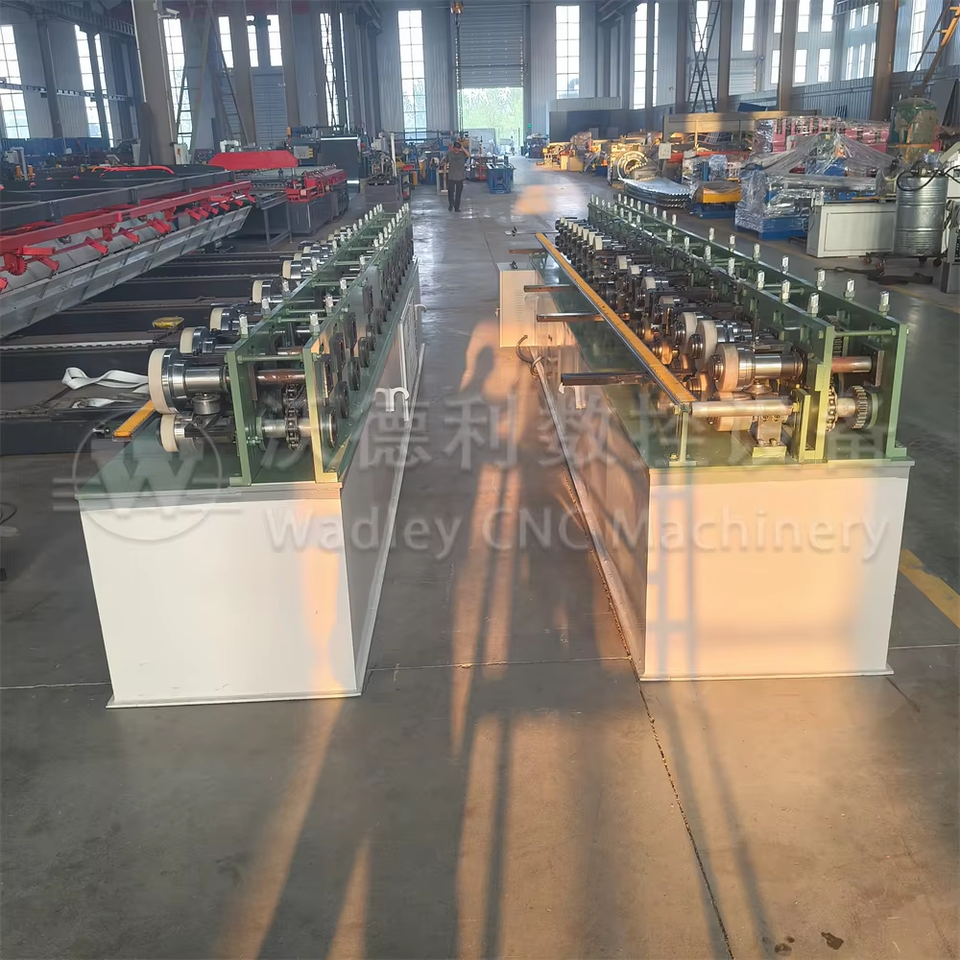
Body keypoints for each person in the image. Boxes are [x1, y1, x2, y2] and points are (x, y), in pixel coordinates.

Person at [441, 141, 467, 212]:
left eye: (458, 149)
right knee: (450, 192)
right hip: (451, 176)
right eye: (455, 149)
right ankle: (451, 204)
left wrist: (462, 147)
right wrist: (444, 173)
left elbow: (469, 155)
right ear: (453, 148)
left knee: (458, 193)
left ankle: (457, 207)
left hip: (460, 176)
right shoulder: (449, 154)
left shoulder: (462, 154)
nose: (457, 150)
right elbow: (445, 163)